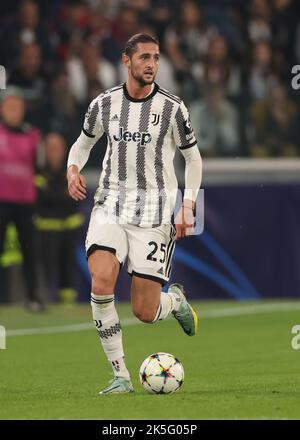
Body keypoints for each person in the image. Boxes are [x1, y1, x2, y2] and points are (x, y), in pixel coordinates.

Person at [66, 33, 202, 394]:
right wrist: (72, 170)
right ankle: (121, 376)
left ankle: (173, 301)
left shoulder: (174, 108)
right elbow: (82, 144)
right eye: (144, 57)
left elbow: (193, 157)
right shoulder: (104, 103)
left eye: (156, 58)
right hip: (110, 203)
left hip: (155, 212)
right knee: (101, 281)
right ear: (126, 60)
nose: (151, 64)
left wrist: (189, 205)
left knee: (144, 310)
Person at [0, 88, 43, 310]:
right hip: (1, 201)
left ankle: (33, 297)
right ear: (2, 109)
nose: (14, 112)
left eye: (18, 107)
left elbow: (39, 166)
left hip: (26, 202)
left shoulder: (33, 135)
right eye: (10, 107)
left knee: (29, 250)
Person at [35, 132, 83, 303]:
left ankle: (67, 304)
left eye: (58, 148)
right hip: (46, 230)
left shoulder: (71, 170)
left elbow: (76, 196)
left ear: (64, 150)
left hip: (70, 229)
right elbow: (43, 198)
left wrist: (58, 195)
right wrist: (63, 195)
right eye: (51, 148)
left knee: (68, 268)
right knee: (47, 267)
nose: (55, 152)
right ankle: (45, 300)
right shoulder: (38, 171)